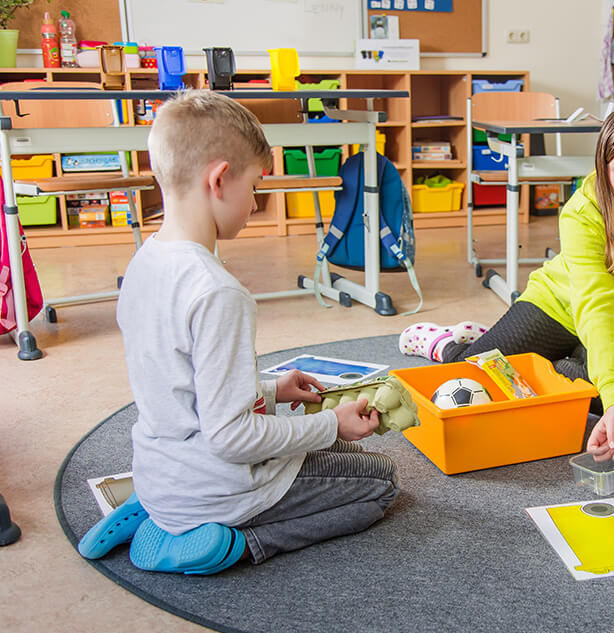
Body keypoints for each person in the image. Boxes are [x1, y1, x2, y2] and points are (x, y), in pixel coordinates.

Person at [76, 90, 398, 575]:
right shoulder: (217, 292)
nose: (255, 202)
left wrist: (272, 388)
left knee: (335, 445)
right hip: (221, 484)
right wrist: (331, 424)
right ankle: (231, 541)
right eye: (254, 186)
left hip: (163, 468)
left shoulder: (144, 263)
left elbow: (179, 384)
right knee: (381, 481)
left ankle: (157, 507)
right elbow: (231, 437)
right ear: (220, 179)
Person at [399, 101, 614, 461]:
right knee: (477, 379)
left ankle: (568, 360)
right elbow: (597, 304)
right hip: (559, 305)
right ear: (604, 168)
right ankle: (452, 344)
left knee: (603, 399)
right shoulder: (582, 210)